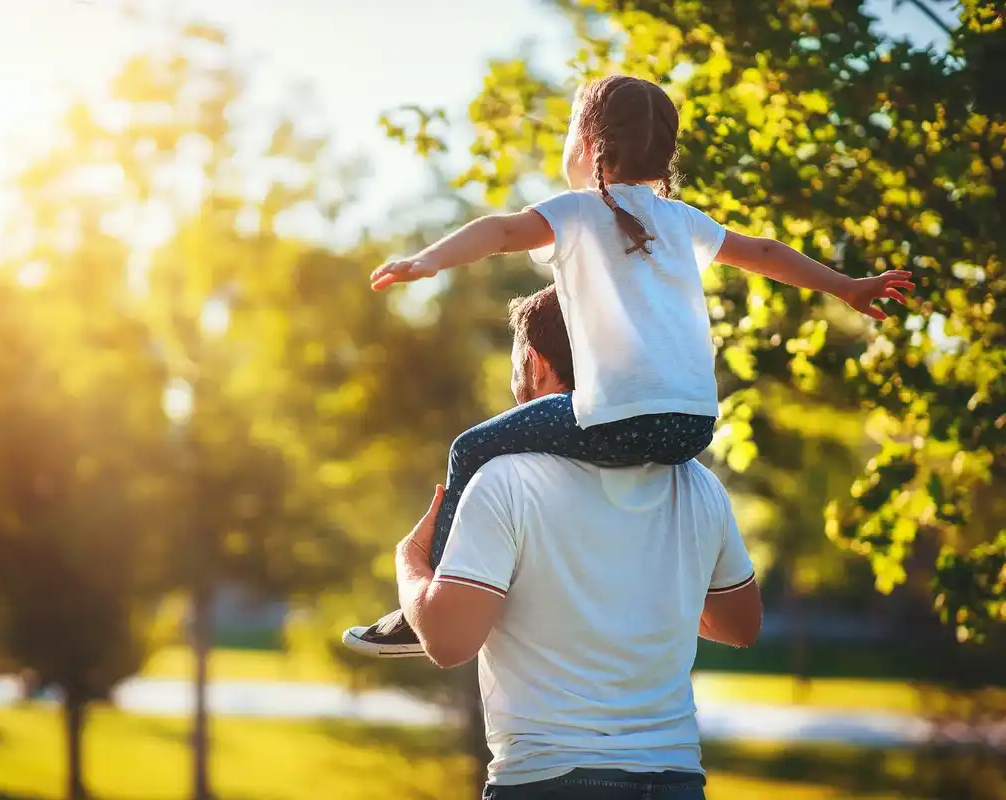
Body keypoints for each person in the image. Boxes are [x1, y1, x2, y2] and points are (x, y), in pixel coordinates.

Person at [342, 74, 912, 657]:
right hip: (692, 427)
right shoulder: (682, 219)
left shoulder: (578, 213)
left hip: (617, 419)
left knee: (470, 448)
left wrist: (427, 260)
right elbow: (764, 253)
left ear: (588, 147)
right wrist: (846, 286)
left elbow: (502, 230)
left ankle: (432, 598)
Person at [394, 284, 761, 798]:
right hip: (675, 779)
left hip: (551, 779)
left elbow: (449, 641)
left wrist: (410, 564)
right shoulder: (698, 482)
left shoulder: (505, 479)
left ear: (536, 362)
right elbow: (739, 625)